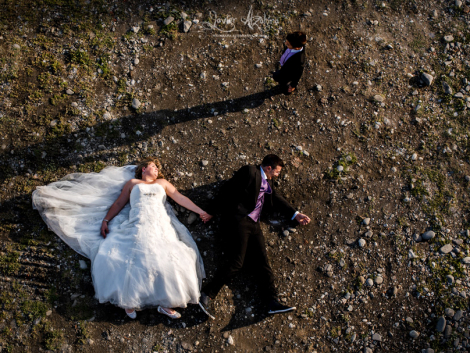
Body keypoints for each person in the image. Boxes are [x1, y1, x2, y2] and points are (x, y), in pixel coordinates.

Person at [32, 158, 211, 320]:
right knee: (134, 256)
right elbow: (119, 203)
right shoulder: (132, 183)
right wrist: (106, 220)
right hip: (138, 222)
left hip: (160, 223)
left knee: (166, 256)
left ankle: (165, 302)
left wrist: (200, 211)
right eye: (153, 166)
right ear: (143, 169)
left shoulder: (162, 183)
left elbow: (179, 197)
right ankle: (128, 299)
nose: (156, 170)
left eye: (157, 168)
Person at [199, 154, 310, 319]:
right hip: (239, 220)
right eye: (277, 172)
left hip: (254, 224)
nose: (277, 175)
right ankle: (207, 294)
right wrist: (211, 211)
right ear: (268, 168)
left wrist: (295, 214)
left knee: (263, 262)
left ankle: (272, 302)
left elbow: (277, 198)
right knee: (237, 262)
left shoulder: (267, 183)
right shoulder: (250, 172)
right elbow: (228, 189)